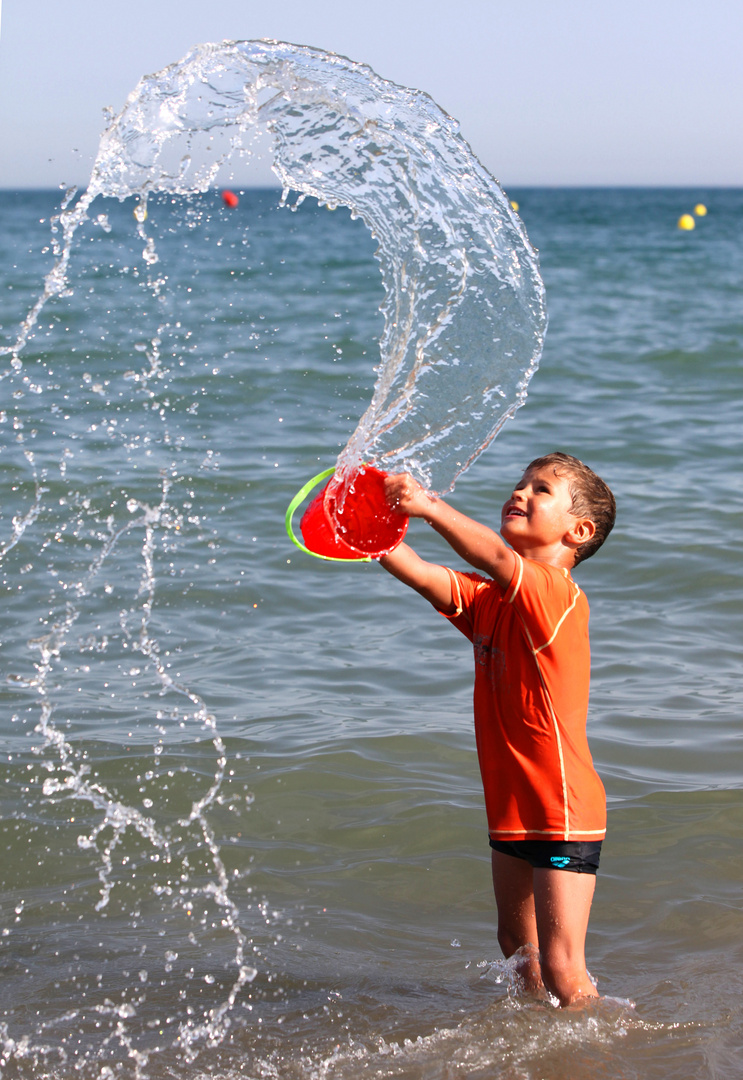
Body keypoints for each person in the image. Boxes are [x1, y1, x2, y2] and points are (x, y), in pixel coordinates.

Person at [378, 452, 616, 1006]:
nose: (521, 493)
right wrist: (361, 519)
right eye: (520, 484)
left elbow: (493, 557)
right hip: (512, 805)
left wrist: (426, 506)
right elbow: (416, 570)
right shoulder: (491, 603)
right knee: (517, 946)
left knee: (561, 965)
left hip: (561, 805)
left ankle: (605, 1048)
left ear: (578, 531)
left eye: (541, 490)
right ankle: (544, 1049)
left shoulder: (557, 595)